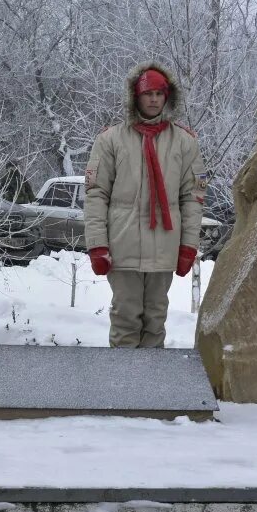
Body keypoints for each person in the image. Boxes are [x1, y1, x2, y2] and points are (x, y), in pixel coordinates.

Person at [82, 62, 206, 348]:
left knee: (155, 320)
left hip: (164, 247)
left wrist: (188, 246)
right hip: (123, 246)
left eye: (159, 93)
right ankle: (123, 389)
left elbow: (193, 198)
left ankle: (152, 389)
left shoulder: (185, 142)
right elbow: (96, 195)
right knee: (125, 320)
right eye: (147, 93)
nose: (153, 99)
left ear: (168, 97)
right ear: (135, 96)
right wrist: (97, 245)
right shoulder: (110, 139)